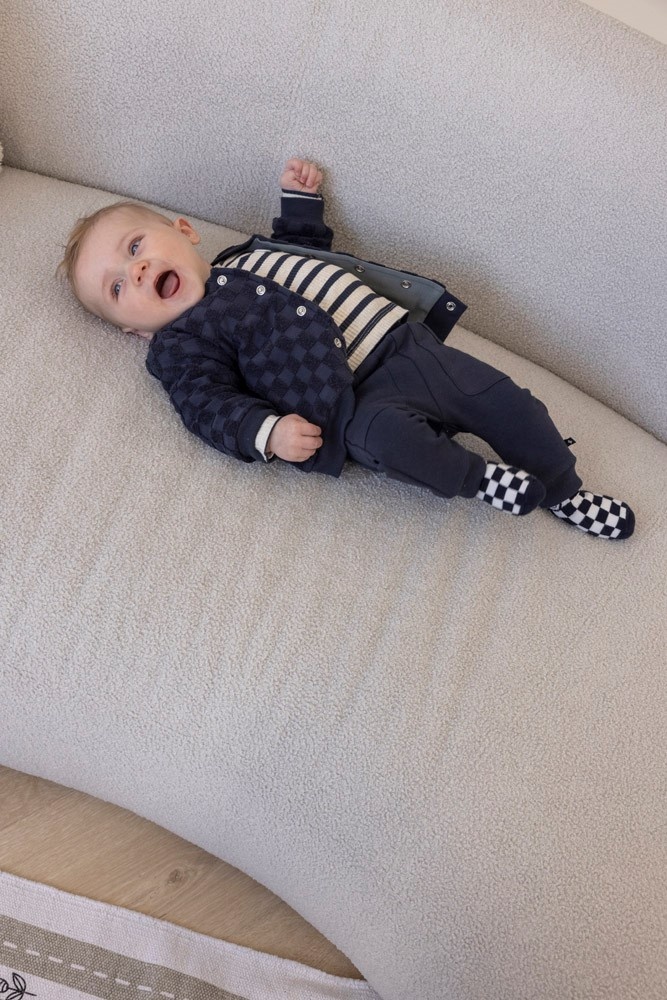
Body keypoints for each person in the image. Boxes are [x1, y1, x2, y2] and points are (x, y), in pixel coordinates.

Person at [59, 157, 634, 539]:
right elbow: (205, 406)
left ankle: (566, 493)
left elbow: (304, 253)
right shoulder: (181, 345)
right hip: (350, 403)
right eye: (117, 288)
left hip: (406, 345)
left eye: (135, 247)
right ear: (136, 332)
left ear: (184, 232)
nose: (136, 271)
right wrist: (268, 432)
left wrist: (300, 204)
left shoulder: (247, 256)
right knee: (394, 444)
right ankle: (480, 479)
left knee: (508, 402)